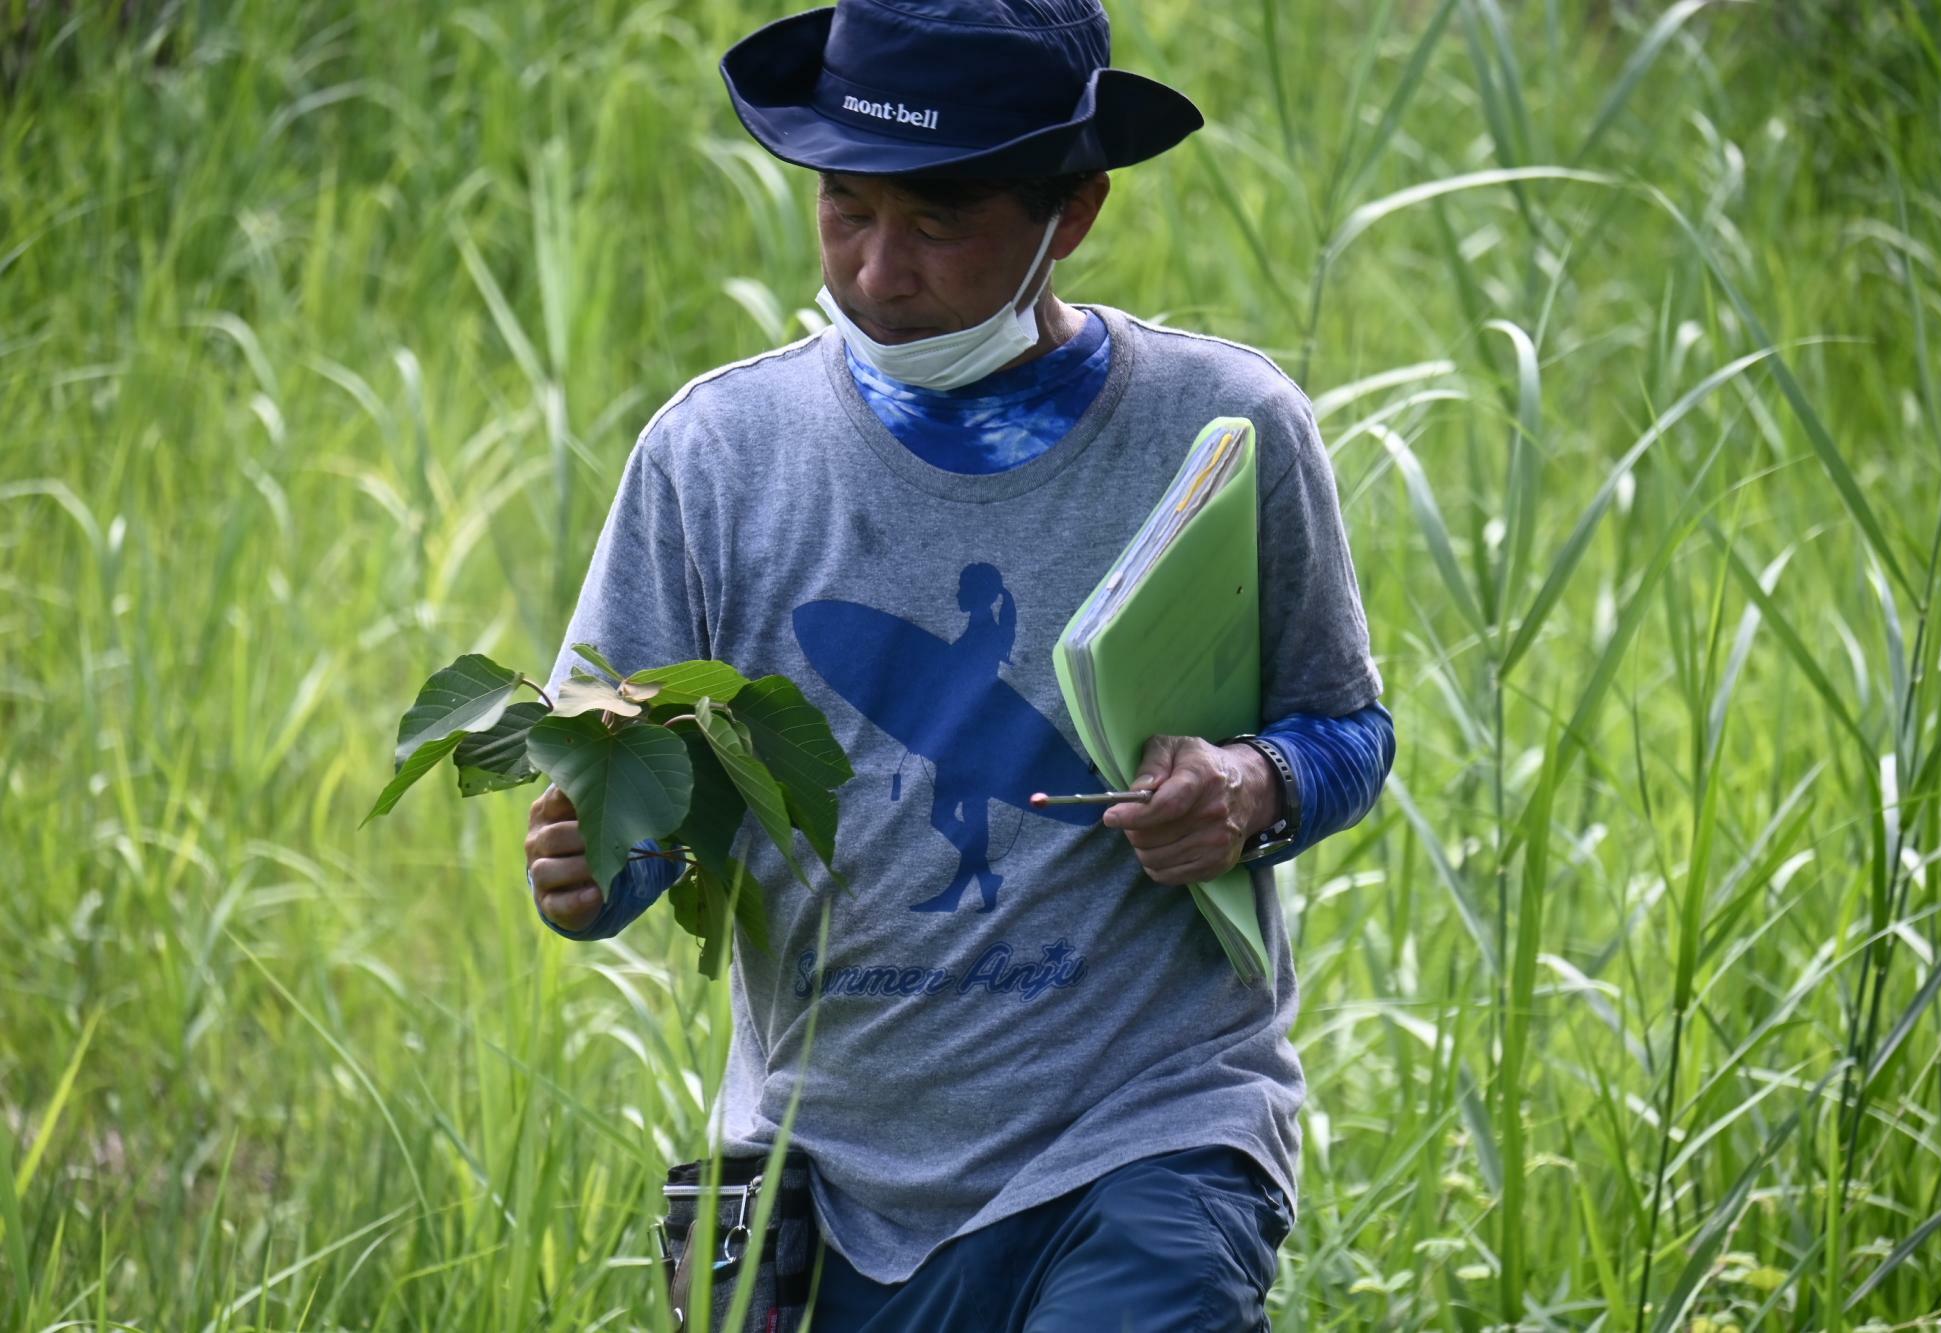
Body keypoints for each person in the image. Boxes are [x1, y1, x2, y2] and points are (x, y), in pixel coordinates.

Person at [521, 1, 1396, 1327]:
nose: (877, 271)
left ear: (1074, 211)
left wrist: (1255, 783)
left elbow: (1349, 730)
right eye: (845, 209)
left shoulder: (1223, 430)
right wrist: (595, 868)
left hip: (1147, 1132)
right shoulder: (715, 459)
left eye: (938, 221)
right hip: (832, 1176)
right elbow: (626, 803)